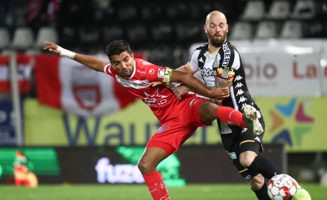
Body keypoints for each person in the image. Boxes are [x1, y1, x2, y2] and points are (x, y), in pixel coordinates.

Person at [43, 40, 262, 200]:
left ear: (132, 56)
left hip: (185, 105)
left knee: (209, 107)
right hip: (172, 123)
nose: (123, 66)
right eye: (117, 63)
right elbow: (96, 64)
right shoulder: (116, 72)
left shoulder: (148, 71)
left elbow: (184, 77)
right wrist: (63, 51)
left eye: (126, 60)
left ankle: (247, 121)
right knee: (145, 165)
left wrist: (210, 91)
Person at [174, 10, 280, 200]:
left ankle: (289, 185)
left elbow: (220, 95)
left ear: (227, 28)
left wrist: (186, 88)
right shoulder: (199, 54)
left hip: (245, 116)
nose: (217, 30)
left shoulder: (229, 55)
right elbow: (185, 71)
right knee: (255, 181)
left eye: (221, 25)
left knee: (246, 159)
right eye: (213, 25)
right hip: (225, 126)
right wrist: (163, 77)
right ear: (206, 29)